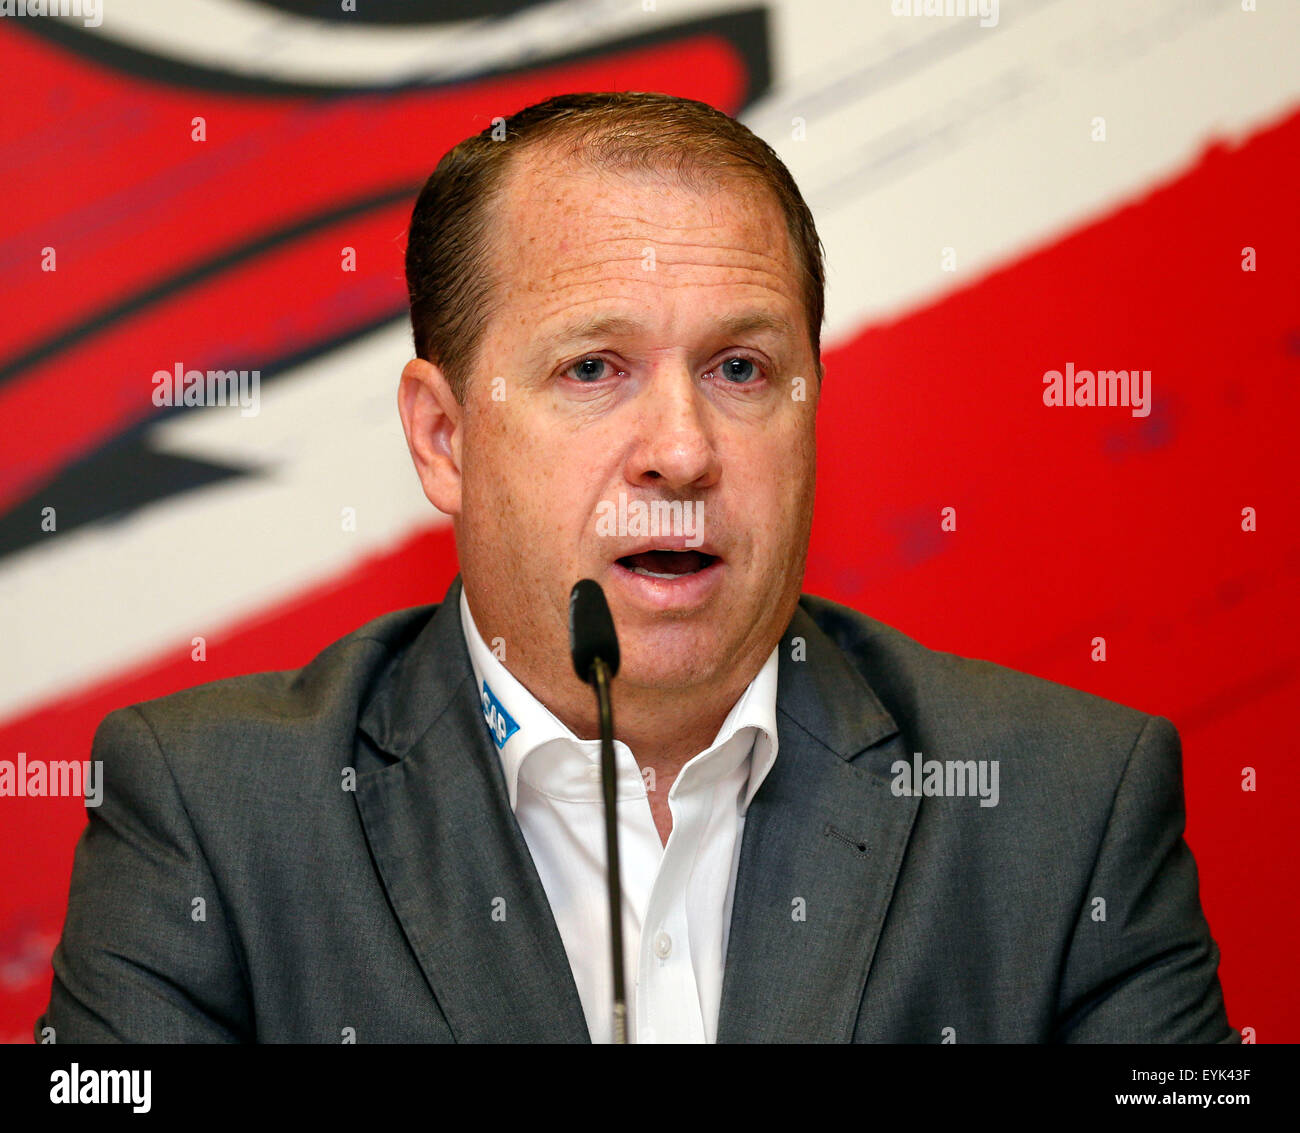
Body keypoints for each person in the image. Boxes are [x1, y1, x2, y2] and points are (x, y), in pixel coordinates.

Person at [38, 91, 1234, 1044]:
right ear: (442, 438)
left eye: (741, 369)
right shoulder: (215, 814)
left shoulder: (1063, 806)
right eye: (594, 368)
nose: (680, 451)